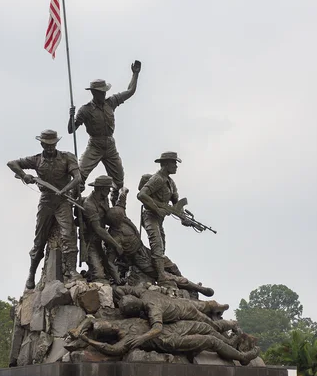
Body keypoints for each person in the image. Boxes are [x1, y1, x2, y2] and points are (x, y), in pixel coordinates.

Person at [7, 129, 81, 289]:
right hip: (46, 200)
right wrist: (23, 175)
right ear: (41, 144)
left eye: (52, 144)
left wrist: (64, 190)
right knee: (39, 239)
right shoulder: (36, 160)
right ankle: (31, 274)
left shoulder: (67, 157)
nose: (49, 147)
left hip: (63, 200)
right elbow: (12, 163)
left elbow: (78, 178)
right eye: (46, 145)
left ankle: (72, 270)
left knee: (68, 234)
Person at [105, 190, 214, 296]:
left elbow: (121, 203)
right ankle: (198, 288)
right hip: (139, 260)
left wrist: (123, 192)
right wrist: (118, 280)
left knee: (170, 265)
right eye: (120, 217)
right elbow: (110, 261)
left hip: (145, 250)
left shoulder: (122, 218)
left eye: (122, 215)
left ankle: (189, 287)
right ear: (115, 221)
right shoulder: (115, 237)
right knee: (166, 276)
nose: (122, 216)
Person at [68, 61, 141, 203]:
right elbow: (71, 130)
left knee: (119, 181)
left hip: (110, 146)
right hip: (94, 145)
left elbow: (130, 91)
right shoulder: (86, 110)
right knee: (79, 176)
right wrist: (71, 117)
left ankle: (117, 209)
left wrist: (135, 74)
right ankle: (73, 202)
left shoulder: (111, 102)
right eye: (101, 92)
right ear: (95, 93)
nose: (104, 94)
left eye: (105, 91)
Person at [77, 317, 259, 365]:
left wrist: (82, 328)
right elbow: (111, 350)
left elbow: (91, 318)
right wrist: (86, 339)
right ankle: (242, 357)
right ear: (108, 332)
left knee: (203, 326)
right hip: (169, 340)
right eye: (106, 328)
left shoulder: (123, 322)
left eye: (106, 324)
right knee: (210, 341)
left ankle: (232, 343)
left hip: (171, 327)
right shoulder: (127, 340)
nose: (109, 325)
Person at [137, 152, 192, 283]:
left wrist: (184, 218)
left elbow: (177, 205)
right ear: (166, 164)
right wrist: (157, 209)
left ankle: (159, 272)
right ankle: (161, 275)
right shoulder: (158, 179)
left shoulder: (171, 183)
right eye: (174, 163)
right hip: (150, 216)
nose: (176, 166)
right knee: (157, 244)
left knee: (162, 246)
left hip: (159, 219)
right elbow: (141, 195)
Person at [82, 175, 123, 282]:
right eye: (107, 188)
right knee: (99, 275)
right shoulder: (89, 204)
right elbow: (98, 229)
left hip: (101, 240)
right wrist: (115, 244)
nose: (109, 190)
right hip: (90, 242)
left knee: (109, 269)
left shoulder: (103, 199)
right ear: (101, 189)